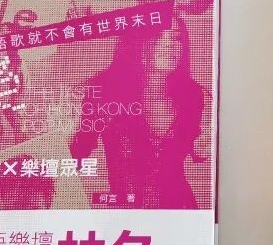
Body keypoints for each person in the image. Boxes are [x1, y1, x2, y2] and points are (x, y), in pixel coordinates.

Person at [69, 21, 205, 209]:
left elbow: (193, 147)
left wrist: (199, 150)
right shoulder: (105, 90)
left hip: (181, 210)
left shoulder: (192, 94)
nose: (170, 44)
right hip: (127, 213)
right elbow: (78, 153)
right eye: (158, 36)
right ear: (136, 40)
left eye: (177, 37)